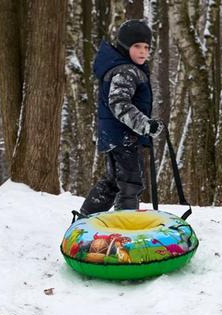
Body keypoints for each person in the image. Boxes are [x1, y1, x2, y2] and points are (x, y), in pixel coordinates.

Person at [74, 20, 163, 220]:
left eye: (146, 47)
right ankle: (127, 228)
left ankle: (83, 220)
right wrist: (144, 124)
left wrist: (146, 126)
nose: (143, 51)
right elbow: (119, 103)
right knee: (130, 183)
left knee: (113, 182)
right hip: (124, 137)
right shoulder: (126, 71)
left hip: (116, 135)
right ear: (125, 46)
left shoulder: (126, 68)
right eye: (137, 46)